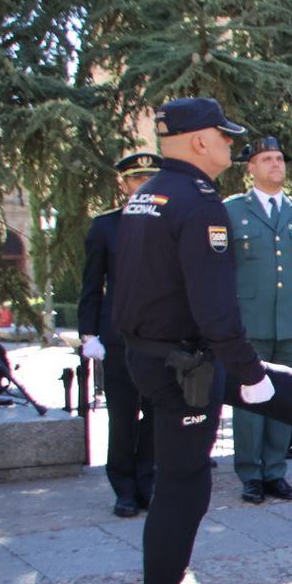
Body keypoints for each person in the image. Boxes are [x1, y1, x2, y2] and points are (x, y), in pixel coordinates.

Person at [112, 97, 292, 584]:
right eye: (223, 135)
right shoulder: (198, 201)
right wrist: (245, 372)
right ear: (200, 141)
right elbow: (214, 305)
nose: (231, 144)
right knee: (183, 488)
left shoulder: (148, 195)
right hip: (188, 366)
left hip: (160, 356)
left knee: (290, 391)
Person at [224, 136, 292, 505]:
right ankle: (250, 473)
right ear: (251, 168)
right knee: (249, 398)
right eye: (266, 159)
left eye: (279, 159)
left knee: (285, 398)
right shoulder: (232, 210)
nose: (275, 165)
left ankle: (276, 472)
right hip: (250, 322)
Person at [79, 151, 161, 518]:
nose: (144, 185)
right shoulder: (105, 226)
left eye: (151, 179)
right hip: (119, 338)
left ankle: (149, 481)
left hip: (162, 338)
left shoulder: (170, 221)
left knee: (157, 416)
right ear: (123, 184)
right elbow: (92, 286)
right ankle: (124, 488)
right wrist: (88, 334)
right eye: (137, 179)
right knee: (123, 417)